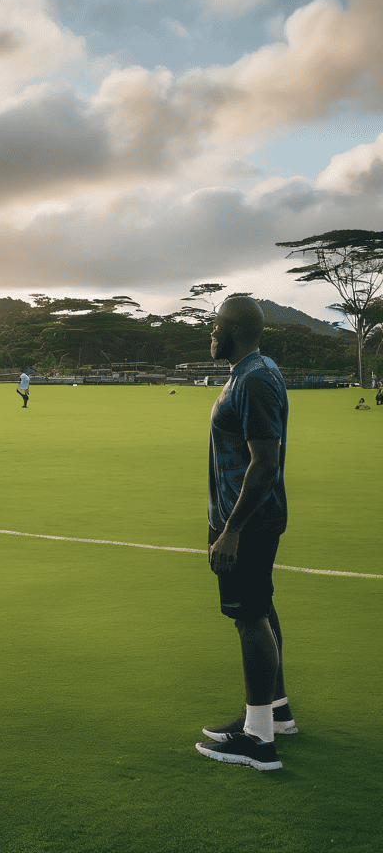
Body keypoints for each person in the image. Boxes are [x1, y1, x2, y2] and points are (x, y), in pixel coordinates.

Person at [195, 296, 295, 772]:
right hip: (250, 516)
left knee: (249, 617)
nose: (211, 333)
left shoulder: (253, 379)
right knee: (262, 607)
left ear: (234, 331)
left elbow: (265, 463)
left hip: (248, 520)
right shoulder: (253, 370)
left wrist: (231, 531)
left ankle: (258, 740)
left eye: (216, 326)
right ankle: (275, 713)